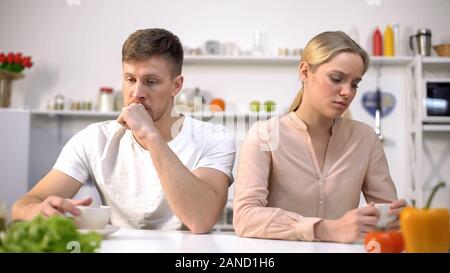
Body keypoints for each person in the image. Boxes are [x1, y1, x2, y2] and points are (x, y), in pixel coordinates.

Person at [12, 28, 236, 233]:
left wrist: (151, 136)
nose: (137, 92)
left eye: (151, 81)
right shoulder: (94, 138)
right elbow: (24, 206)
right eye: (130, 79)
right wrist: (39, 211)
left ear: (176, 86)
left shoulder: (214, 138)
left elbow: (201, 219)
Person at [233, 31, 406, 243]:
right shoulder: (264, 135)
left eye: (354, 84)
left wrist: (396, 217)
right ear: (305, 72)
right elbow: (245, 217)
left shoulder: (365, 138)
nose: (347, 92)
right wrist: (326, 229)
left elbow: (387, 216)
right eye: (337, 79)